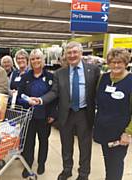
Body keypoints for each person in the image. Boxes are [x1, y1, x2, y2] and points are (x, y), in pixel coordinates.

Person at [30, 41, 100, 180]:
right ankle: (67, 169)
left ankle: (83, 173)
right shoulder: (59, 73)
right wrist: (41, 100)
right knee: (66, 145)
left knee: (85, 146)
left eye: (75, 52)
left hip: (84, 113)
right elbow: (54, 92)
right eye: (69, 53)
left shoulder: (93, 70)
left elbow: (98, 92)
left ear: (81, 53)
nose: (72, 55)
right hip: (66, 114)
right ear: (65, 55)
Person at [17, 49, 58, 178]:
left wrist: (52, 114)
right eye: (33, 59)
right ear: (30, 61)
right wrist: (27, 101)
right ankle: (28, 165)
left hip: (44, 117)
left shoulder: (51, 77)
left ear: (43, 60)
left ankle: (41, 163)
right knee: (28, 143)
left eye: (38, 58)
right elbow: (19, 97)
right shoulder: (25, 77)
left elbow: (55, 97)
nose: (35, 61)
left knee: (43, 141)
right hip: (29, 116)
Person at [93, 48, 132, 180]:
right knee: (108, 161)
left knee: (116, 163)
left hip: (120, 132)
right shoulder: (103, 78)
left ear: (126, 63)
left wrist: (128, 132)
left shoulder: (130, 80)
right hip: (104, 129)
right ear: (108, 63)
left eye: (119, 62)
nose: (116, 65)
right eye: (113, 62)